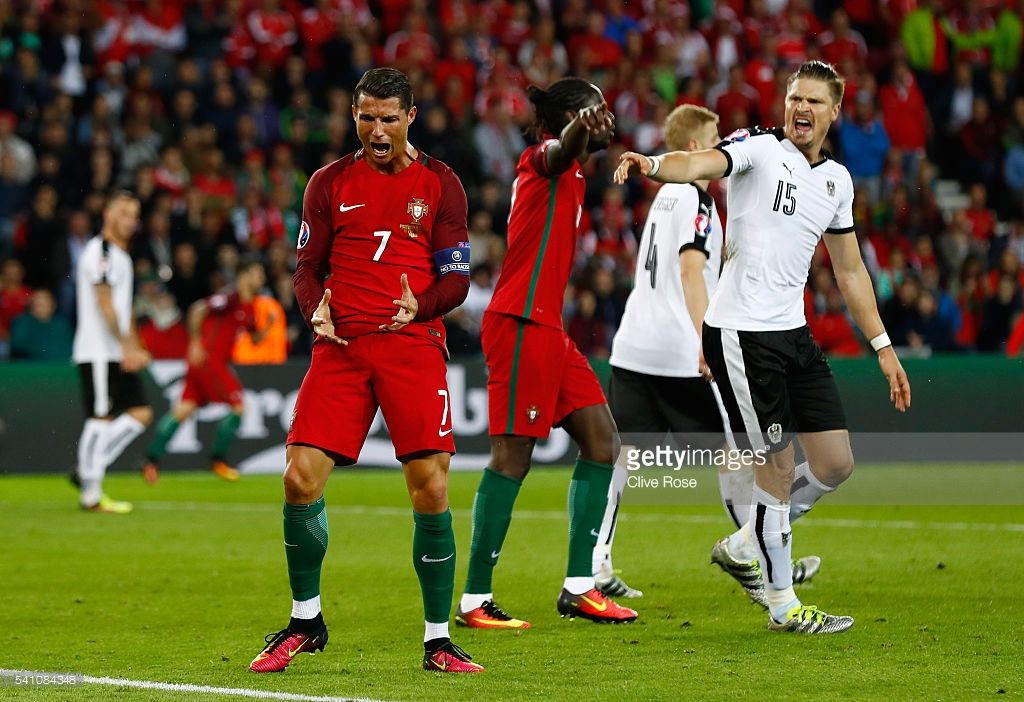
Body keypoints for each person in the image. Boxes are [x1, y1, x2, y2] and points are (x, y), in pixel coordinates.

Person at [615, 60, 912, 634]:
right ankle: (783, 606)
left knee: (834, 463)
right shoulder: (757, 147)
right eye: (794, 98)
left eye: (814, 102)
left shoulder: (838, 183)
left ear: (834, 112)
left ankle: (749, 540)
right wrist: (654, 163)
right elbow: (701, 161)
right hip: (741, 335)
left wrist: (882, 345)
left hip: (792, 335)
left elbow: (849, 271)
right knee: (776, 466)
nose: (801, 109)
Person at [248, 68, 480, 674]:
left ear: (411, 117)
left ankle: (438, 640)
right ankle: (306, 620)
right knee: (299, 478)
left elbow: (456, 279)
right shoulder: (327, 183)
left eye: (388, 118)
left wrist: (420, 304)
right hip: (342, 347)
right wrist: (312, 307)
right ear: (354, 117)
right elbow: (306, 266)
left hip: (412, 344)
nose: (377, 130)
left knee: (430, 486)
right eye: (365, 118)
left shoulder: (443, 185)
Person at [597, 105, 821, 605]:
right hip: (681, 350)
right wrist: (706, 339)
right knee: (738, 454)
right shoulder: (697, 198)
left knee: (626, 455)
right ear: (697, 147)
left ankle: (597, 563)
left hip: (633, 345)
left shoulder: (661, 199)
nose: (723, 144)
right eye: (715, 137)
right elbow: (691, 271)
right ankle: (763, 564)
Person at [455, 77, 638, 631]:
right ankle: (473, 599)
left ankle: (580, 586)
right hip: (518, 325)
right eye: (592, 111)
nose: (603, 117)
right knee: (513, 456)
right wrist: (579, 127)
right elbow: (559, 150)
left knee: (602, 441)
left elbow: (570, 153)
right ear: (568, 120)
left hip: (548, 329)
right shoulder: (540, 160)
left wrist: (584, 126)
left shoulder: (576, 173)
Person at [142, 259, 269, 483]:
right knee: (238, 406)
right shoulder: (229, 299)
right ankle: (217, 459)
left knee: (183, 409)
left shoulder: (248, 307)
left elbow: (255, 337)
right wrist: (194, 342)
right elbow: (197, 309)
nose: (262, 279)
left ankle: (151, 461)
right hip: (210, 361)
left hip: (202, 364)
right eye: (258, 274)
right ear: (244, 275)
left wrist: (267, 327)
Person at [72, 191, 153, 514]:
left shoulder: (122, 255)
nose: (128, 221)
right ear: (107, 213)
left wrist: (135, 345)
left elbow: (123, 308)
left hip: (115, 350)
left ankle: (88, 468)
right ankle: (90, 493)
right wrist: (125, 347)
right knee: (100, 417)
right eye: (122, 213)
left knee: (140, 413)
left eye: (133, 215)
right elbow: (104, 304)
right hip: (98, 350)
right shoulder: (101, 252)